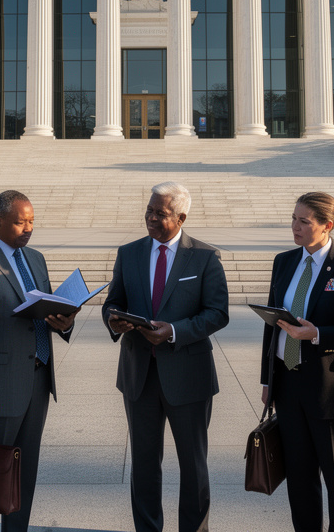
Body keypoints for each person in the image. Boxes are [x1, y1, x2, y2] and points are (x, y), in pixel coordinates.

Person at [103, 181, 230, 532]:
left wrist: (173, 331)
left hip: (189, 377)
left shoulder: (205, 257)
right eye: (149, 210)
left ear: (181, 217)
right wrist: (114, 319)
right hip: (138, 376)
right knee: (143, 465)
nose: (151, 218)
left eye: (161, 213)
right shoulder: (128, 253)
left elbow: (218, 313)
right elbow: (114, 301)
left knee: (193, 465)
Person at [0, 190, 77, 532]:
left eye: (32, 221)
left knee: (23, 474)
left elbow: (48, 310)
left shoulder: (36, 258)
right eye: (20, 222)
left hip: (38, 381)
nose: (28, 228)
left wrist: (64, 323)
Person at [260, 192, 334, 532]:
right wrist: (267, 381)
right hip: (288, 385)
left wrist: (317, 334)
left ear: (328, 226)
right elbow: (273, 327)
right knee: (299, 480)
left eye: (304, 222)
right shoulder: (284, 262)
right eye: (294, 218)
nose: (294, 227)